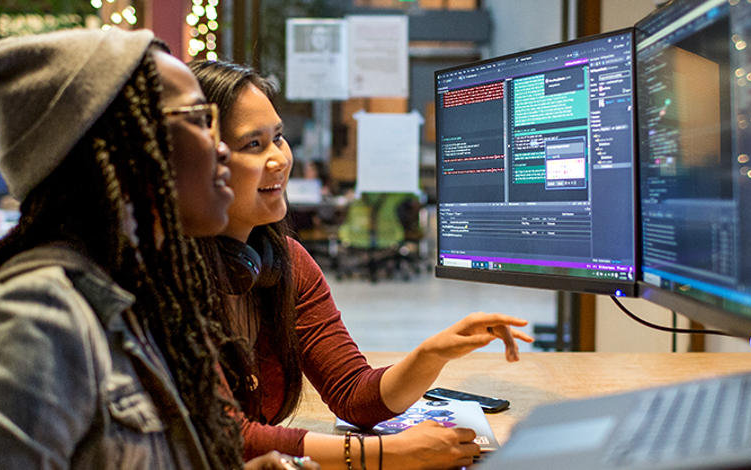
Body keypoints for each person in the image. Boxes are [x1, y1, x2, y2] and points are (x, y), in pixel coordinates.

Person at [0, 28, 318, 470]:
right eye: (200, 119)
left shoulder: (140, 298)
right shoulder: (41, 315)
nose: (223, 149)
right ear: (125, 150)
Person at [190, 59, 534, 469]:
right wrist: (383, 455)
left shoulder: (286, 264)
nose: (279, 159)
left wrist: (431, 354)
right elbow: (226, 435)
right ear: (200, 165)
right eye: (253, 145)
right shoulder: (169, 280)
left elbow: (353, 395)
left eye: (278, 138)